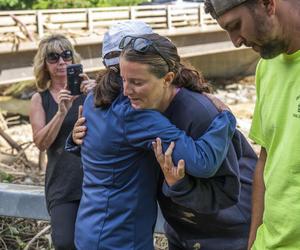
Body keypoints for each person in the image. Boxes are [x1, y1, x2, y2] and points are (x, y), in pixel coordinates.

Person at [69, 22, 257, 250]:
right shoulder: (132, 110)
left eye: (136, 80)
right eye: (122, 75)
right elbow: (202, 161)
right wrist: (226, 117)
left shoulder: (96, 100)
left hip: (95, 229)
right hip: (131, 235)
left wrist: (75, 142)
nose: (126, 89)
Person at [204, 0, 300, 249]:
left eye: (236, 26)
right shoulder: (265, 68)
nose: (235, 41)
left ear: (268, 4)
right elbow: (266, 158)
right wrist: (253, 240)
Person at [29, 34, 95, 250]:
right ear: (44, 64)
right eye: (53, 57)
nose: (61, 62)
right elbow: (41, 143)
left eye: (66, 55)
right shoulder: (40, 99)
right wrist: (61, 113)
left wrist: (98, 95)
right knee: (65, 242)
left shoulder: (90, 91)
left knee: (96, 242)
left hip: (95, 180)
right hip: (62, 183)